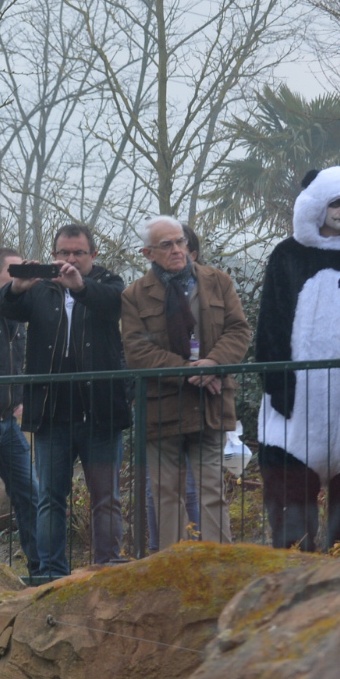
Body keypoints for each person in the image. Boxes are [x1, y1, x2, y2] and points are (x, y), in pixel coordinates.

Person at [0, 222, 132, 578]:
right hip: (51, 414)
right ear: (53, 254)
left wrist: (81, 287)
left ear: (93, 255)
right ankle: (51, 575)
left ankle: (107, 572)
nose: (70, 260)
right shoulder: (41, 289)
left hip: (100, 414)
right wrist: (17, 287)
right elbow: (4, 309)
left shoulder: (109, 283)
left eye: (78, 253)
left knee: (106, 498)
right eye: (63, 253)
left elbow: (114, 305)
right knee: (50, 499)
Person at [253, 167, 340, 550]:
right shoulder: (288, 255)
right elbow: (271, 323)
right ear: (317, 205)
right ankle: (292, 567)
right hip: (297, 399)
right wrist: (276, 385)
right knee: (290, 497)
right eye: (335, 203)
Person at [120, 216, 253, 549]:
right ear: (148, 252)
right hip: (161, 408)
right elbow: (137, 351)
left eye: (180, 241)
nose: (177, 250)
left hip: (211, 403)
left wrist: (213, 364)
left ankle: (219, 567)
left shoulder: (217, 281)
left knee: (212, 490)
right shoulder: (135, 294)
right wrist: (189, 371)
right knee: (166, 493)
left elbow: (239, 330)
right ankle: (172, 570)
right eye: (167, 245)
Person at [0, 246, 42, 575]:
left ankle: (41, 570)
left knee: (31, 494)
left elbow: (23, 360)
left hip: (9, 423)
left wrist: (21, 397)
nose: (23, 278)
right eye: (15, 271)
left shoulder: (21, 313)